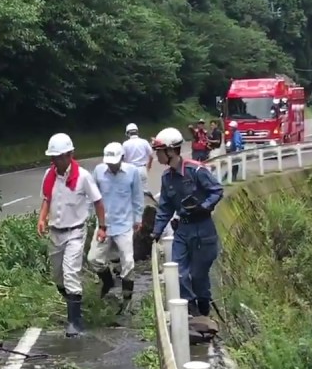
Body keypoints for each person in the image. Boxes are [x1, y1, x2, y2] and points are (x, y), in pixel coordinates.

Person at [150, 127, 224, 317]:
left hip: (204, 229)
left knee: (199, 276)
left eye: (159, 151)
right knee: (179, 272)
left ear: (171, 151)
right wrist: (155, 232)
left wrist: (204, 206)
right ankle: (190, 311)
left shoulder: (196, 170)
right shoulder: (167, 178)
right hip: (183, 230)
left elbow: (216, 190)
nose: (157, 155)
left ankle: (204, 310)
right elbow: (165, 208)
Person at [37, 133, 106, 337]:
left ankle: (75, 323)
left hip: (75, 231)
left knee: (70, 273)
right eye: (54, 157)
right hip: (56, 232)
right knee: (58, 277)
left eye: (61, 157)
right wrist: (42, 219)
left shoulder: (83, 176)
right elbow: (46, 199)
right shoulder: (49, 175)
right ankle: (75, 305)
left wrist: (102, 226)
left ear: (70, 155)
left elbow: (98, 202)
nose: (57, 161)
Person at [89, 142, 145, 307]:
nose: (112, 165)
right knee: (94, 259)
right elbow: (92, 196)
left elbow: (137, 197)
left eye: (115, 162)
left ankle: (127, 300)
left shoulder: (132, 172)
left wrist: (138, 219)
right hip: (104, 225)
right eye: (109, 162)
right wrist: (92, 218)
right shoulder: (99, 171)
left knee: (128, 262)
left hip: (124, 224)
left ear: (122, 158)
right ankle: (108, 282)